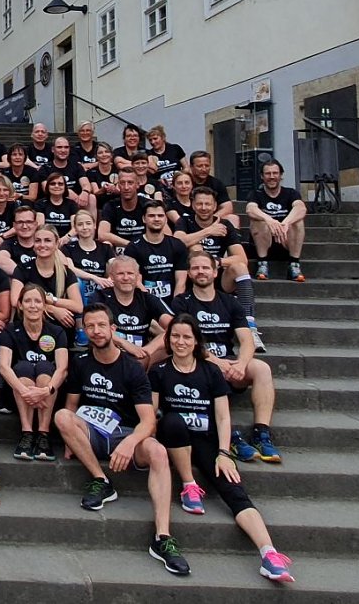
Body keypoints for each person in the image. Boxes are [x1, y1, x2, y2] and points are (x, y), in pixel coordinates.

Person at [150, 314, 295, 583]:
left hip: (206, 438)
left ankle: (269, 553)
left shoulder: (211, 371)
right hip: (175, 436)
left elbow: (223, 416)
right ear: (168, 340)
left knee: (234, 490)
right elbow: (153, 412)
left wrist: (224, 452)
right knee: (171, 421)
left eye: (186, 337)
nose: (180, 342)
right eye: (175, 336)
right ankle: (189, 483)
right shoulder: (159, 371)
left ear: (196, 341)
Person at [53, 303, 191, 576]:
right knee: (61, 417)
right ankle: (101, 480)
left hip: (126, 434)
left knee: (159, 452)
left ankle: (163, 538)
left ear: (113, 329)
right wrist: (70, 439)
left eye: (101, 325)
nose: (95, 331)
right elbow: (70, 406)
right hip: (92, 432)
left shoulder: (132, 368)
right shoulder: (80, 363)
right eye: (90, 326)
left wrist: (129, 443)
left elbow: (149, 420)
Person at [171, 250, 281, 464]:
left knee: (262, 369)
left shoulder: (230, 302)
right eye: (195, 268)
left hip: (230, 362)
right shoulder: (182, 303)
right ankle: (230, 436)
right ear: (189, 273)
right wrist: (219, 363)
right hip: (199, 362)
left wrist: (241, 363)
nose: (200, 272)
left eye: (205, 268)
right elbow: (185, 342)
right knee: (202, 373)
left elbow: (247, 340)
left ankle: (261, 433)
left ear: (215, 272)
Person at [176, 186, 262, 350]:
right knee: (195, 248)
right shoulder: (185, 221)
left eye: (207, 204)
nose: (203, 208)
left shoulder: (224, 225)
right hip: (194, 277)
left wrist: (217, 261)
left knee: (240, 267)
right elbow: (177, 242)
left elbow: (241, 257)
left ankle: (250, 326)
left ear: (215, 206)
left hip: (218, 277)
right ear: (193, 205)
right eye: (199, 204)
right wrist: (209, 231)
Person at [0, 283, 69, 462]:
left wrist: (45, 391)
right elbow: (4, 367)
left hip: (48, 392)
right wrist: (26, 392)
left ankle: (44, 434)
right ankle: (27, 432)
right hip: (19, 391)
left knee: (46, 368)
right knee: (23, 367)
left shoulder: (56, 331)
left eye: (38, 301)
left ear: (45, 306)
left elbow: (62, 368)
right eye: (28, 301)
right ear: (20, 305)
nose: (33, 305)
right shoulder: (10, 330)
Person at [93, 254, 173, 368]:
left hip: (142, 355)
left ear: (138, 277)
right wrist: (125, 344)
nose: (126, 278)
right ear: (111, 276)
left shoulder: (147, 298)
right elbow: (96, 329)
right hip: (110, 352)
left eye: (130, 273)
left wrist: (148, 349)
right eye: (120, 273)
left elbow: (174, 326)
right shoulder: (100, 297)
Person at [10, 226, 84, 334]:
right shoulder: (22, 269)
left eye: (48, 240)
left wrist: (52, 299)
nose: (42, 245)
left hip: (60, 331)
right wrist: (52, 309)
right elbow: (15, 301)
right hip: (28, 330)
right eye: (38, 241)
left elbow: (78, 307)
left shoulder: (66, 272)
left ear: (57, 244)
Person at [246, 158, 307, 282]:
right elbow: (250, 209)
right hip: (263, 242)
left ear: (281, 175)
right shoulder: (256, 194)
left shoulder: (291, 193)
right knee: (258, 220)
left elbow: (301, 208)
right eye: (268, 174)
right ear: (262, 176)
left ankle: (294, 264)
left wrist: (285, 223)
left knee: (298, 222)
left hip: (286, 240)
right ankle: (262, 263)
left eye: (275, 173)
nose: (272, 177)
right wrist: (270, 220)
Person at [124, 200, 189, 301]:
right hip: (145, 302)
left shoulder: (178, 245)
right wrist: (156, 307)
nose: (156, 219)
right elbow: (137, 282)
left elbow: (181, 282)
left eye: (160, 215)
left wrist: (176, 307)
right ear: (144, 219)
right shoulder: (133, 248)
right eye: (151, 216)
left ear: (166, 219)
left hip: (173, 302)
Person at [98, 169, 150, 248]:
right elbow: (102, 234)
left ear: (138, 184)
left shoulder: (148, 205)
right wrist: (132, 246)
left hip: (145, 249)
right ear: (118, 185)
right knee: (106, 244)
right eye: (122, 183)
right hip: (120, 251)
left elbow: (166, 232)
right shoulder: (111, 206)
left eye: (130, 183)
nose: (126, 187)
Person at [188, 150, 237, 225]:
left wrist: (212, 219)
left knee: (233, 218)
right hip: (189, 220)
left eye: (207, 166)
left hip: (212, 219)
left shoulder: (217, 183)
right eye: (199, 166)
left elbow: (228, 207)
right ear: (191, 167)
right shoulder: (184, 183)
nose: (204, 169)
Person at [0, 204, 39, 276]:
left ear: (35, 224)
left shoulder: (43, 241)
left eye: (29, 222)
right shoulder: (8, 244)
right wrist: (26, 276)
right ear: (14, 225)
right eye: (20, 222)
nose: (24, 226)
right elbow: (1, 261)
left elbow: (62, 261)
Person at [35, 170, 80, 236]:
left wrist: (66, 238)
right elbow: (41, 228)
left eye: (60, 184)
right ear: (47, 186)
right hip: (47, 238)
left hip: (68, 239)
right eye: (53, 184)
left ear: (65, 187)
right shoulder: (40, 204)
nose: (56, 186)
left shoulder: (72, 204)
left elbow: (75, 228)